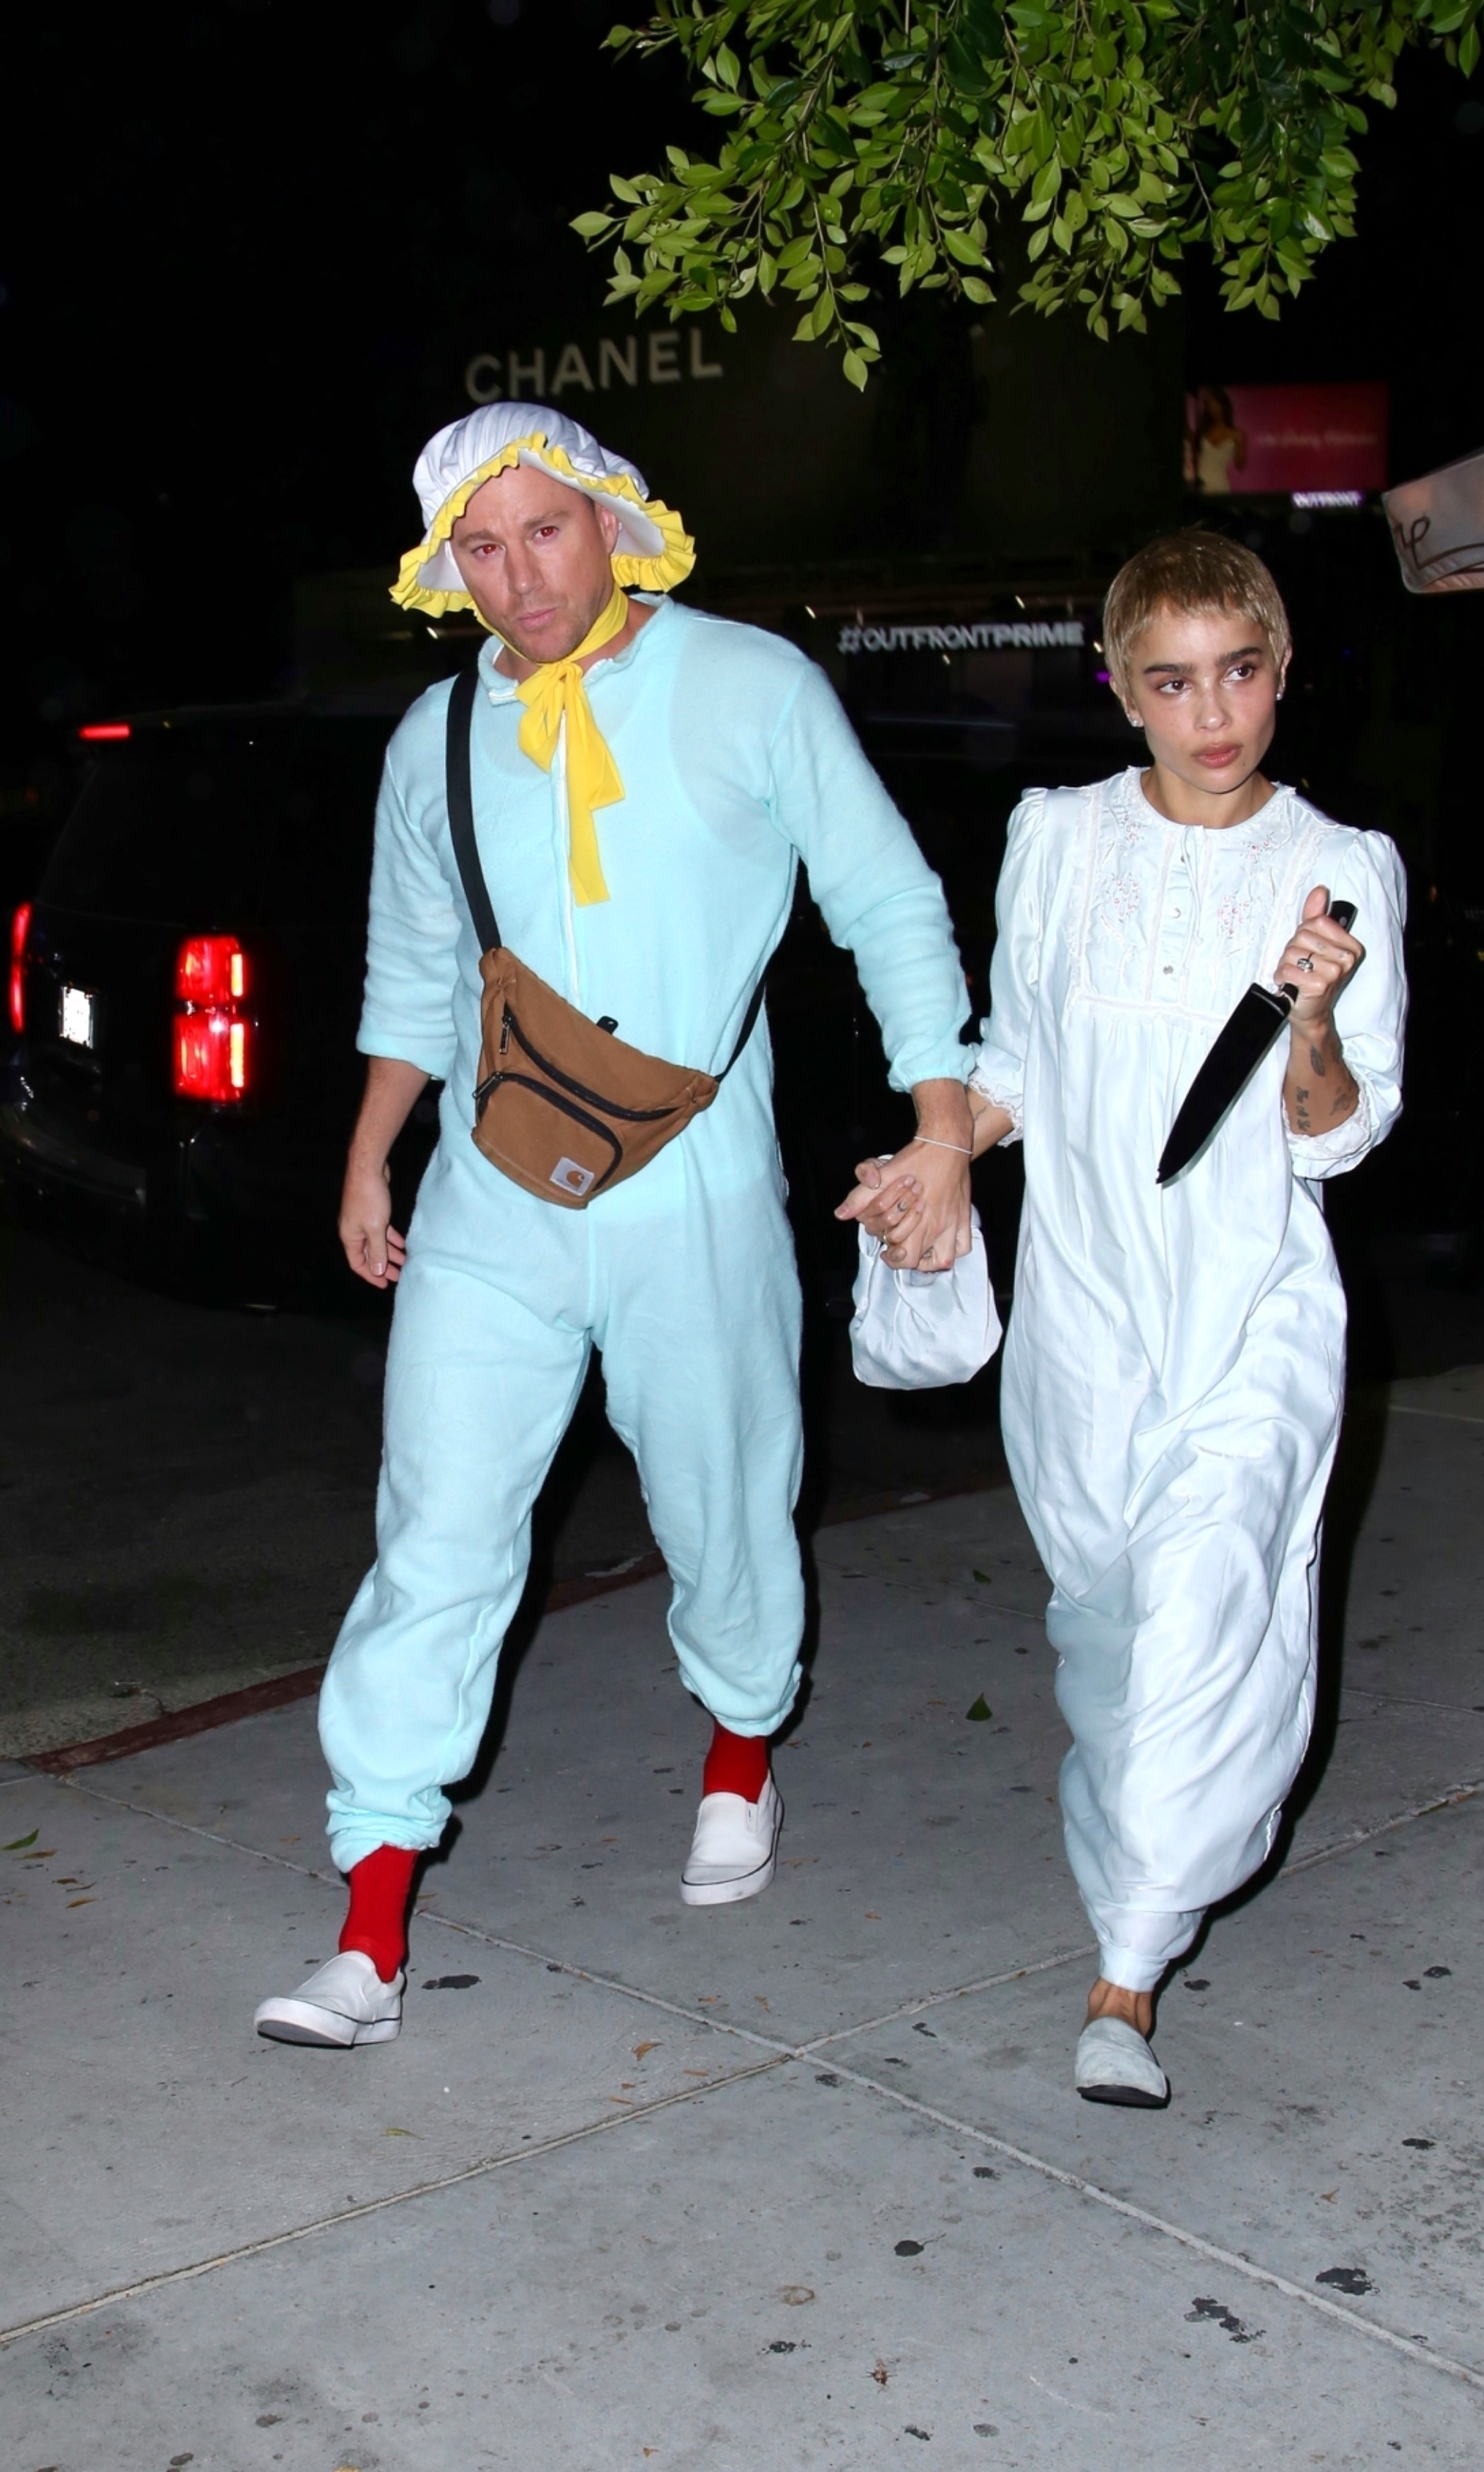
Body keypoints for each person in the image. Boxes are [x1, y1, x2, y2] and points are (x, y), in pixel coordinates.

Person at [255, 403, 975, 2048]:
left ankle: (739, 1744)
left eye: (544, 534)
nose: (517, 579)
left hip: (695, 1180)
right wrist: (372, 1155)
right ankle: (368, 1926)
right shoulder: (434, 741)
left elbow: (887, 900)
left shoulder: (751, 687)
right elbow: (414, 978)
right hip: (494, 1190)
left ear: (614, 523)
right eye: (482, 551)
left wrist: (942, 1124)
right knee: (435, 1524)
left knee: (726, 1497)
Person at [855, 531, 1406, 2106]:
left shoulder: (1341, 867)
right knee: (1109, 1623)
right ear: (1124, 691)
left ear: (1282, 671)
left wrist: (1310, 1017)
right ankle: (1141, 1879)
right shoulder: (1056, 838)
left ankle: (1128, 1974)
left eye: (1239, 671)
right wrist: (937, 1148)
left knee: (1208, 1611)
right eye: (1171, 680)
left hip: (1254, 1305)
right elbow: (1014, 1060)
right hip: (1085, 1313)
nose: (1212, 710)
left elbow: (1335, 1131)